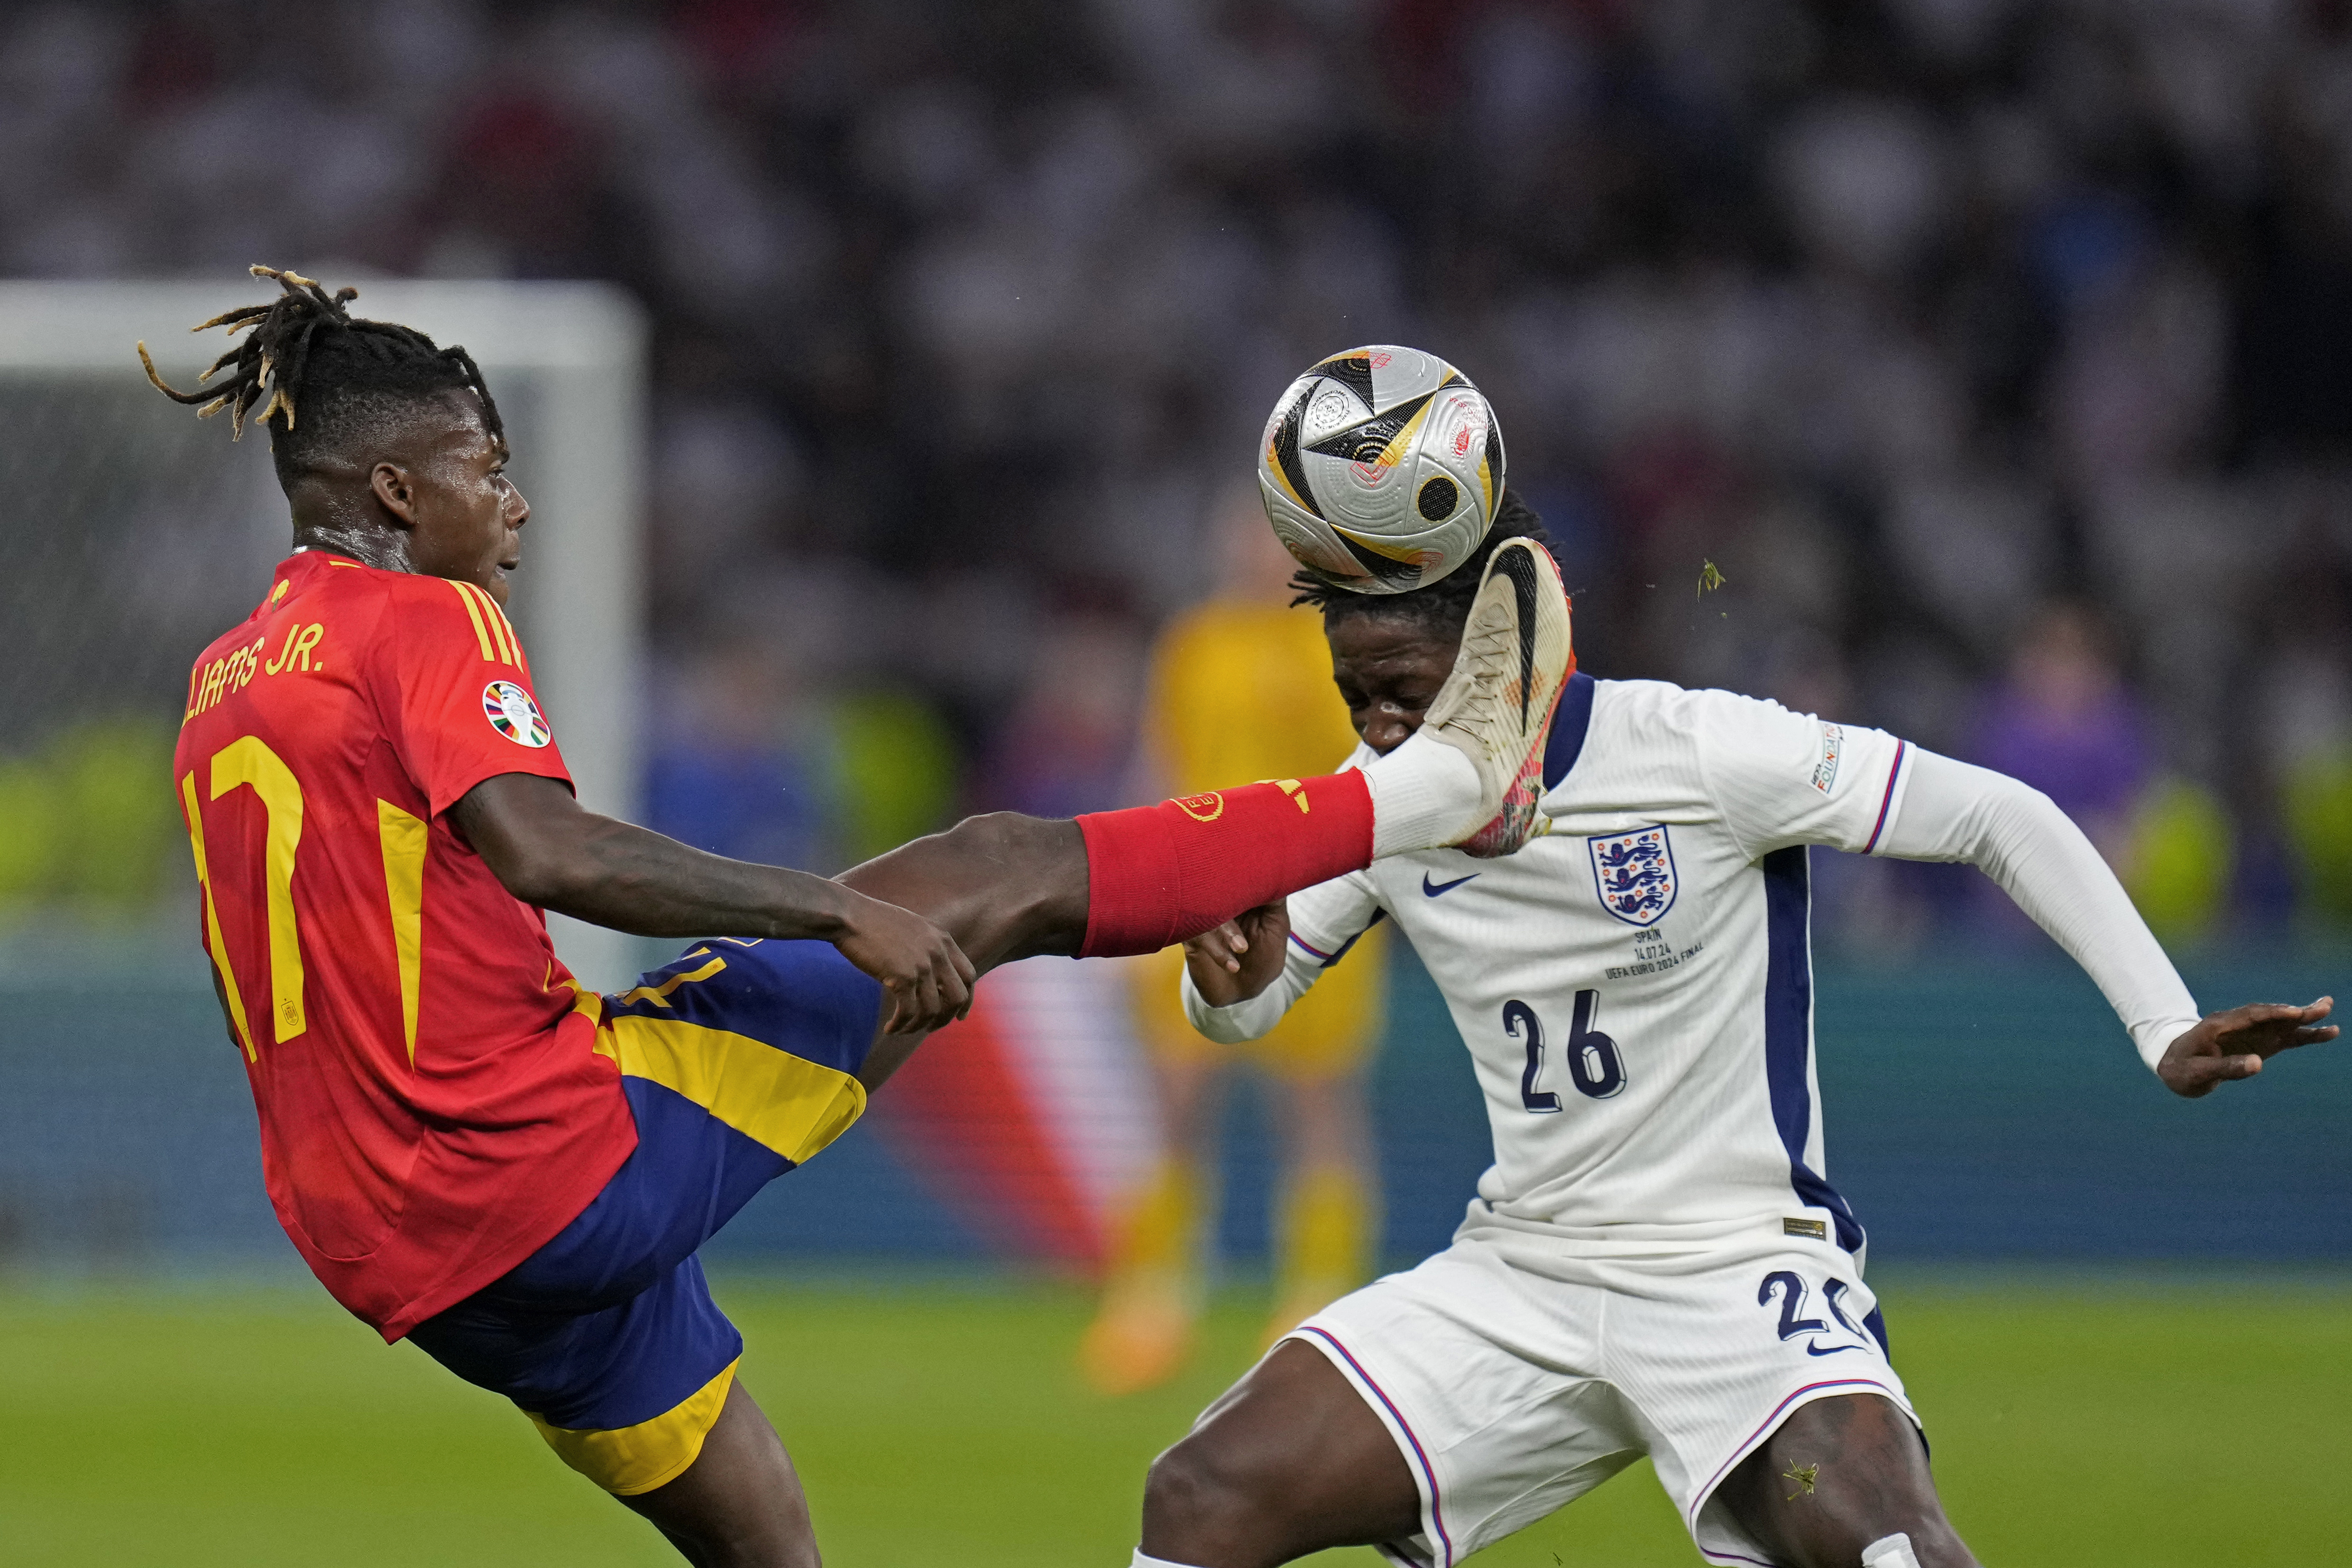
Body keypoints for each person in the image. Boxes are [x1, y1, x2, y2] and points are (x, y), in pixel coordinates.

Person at [147, 270, 1573, 1568]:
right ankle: (1431, 782)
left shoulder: (223, 684)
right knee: (987, 864)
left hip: (389, 1243)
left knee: (762, 1535)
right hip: (542, 1166)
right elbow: (546, 848)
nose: (513, 502)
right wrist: (834, 910)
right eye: (486, 467)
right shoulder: (422, 618)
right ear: (395, 490)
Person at [1130, 491, 2337, 1568]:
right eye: (1364, 693)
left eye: (1405, 684)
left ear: (1504, 644)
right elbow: (1241, 1012)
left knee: (1890, 1547)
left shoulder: (1703, 749)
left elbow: (1994, 816)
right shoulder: (1385, 800)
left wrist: (2160, 1022)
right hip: (1523, 1273)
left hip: (1735, 1271)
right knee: (1199, 1493)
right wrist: (1229, 981)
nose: (1383, 726)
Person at [1084, 489, 1391, 1394]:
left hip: (1316, 899)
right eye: (1242, 534)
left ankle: (1318, 1292)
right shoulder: (1195, 643)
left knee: (1316, 1102)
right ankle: (1157, 1296)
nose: (1253, 553)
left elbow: (1370, 767)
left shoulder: (1337, 640)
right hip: (1197, 898)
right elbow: (1160, 766)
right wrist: (1140, 897)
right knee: (1178, 1103)